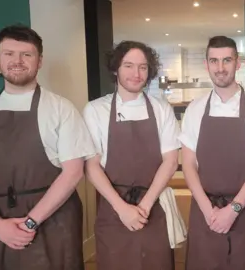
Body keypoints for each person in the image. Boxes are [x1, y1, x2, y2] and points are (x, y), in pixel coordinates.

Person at [0, 24, 96, 270]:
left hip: (54, 218)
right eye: (9, 54)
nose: (17, 61)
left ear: (40, 61)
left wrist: (30, 223)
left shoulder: (61, 108)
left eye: (26, 54)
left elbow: (73, 173)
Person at [83, 40, 180, 270]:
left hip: (153, 209)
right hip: (113, 210)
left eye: (143, 67)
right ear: (116, 68)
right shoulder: (95, 110)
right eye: (128, 65)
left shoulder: (161, 109)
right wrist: (122, 208)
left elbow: (171, 160)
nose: (136, 74)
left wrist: (144, 206)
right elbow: (91, 165)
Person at [179, 35, 245, 270]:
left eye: (226, 60)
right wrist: (207, 209)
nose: (220, 68)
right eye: (214, 61)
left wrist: (233, 209)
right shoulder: (195, 109)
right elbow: (189, 163)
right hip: (206, 213)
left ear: (237, 63)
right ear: (206, 64)